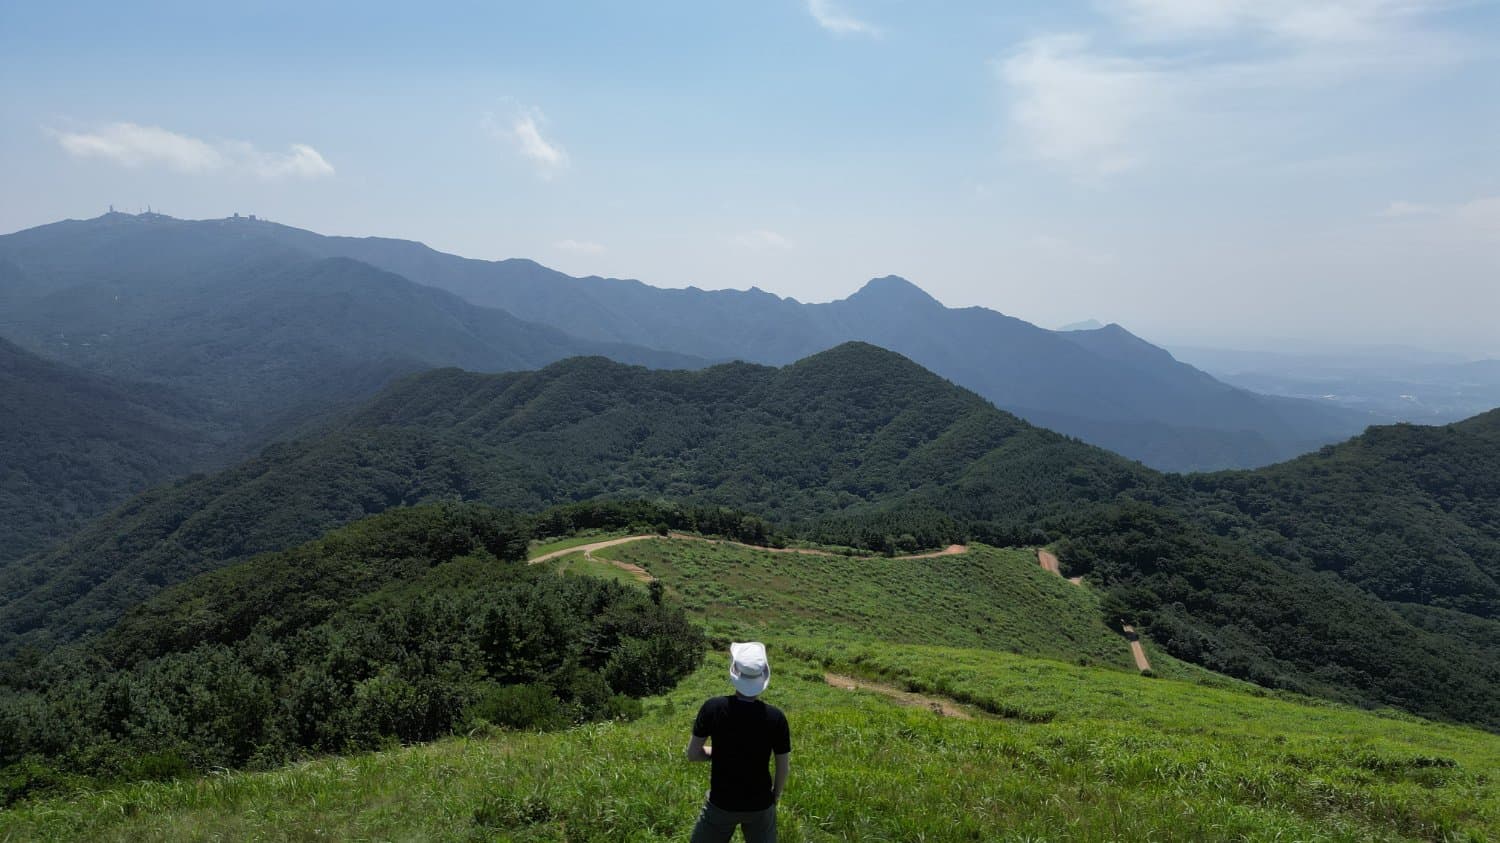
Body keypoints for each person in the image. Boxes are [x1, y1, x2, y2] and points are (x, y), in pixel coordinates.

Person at [685, 641, 791, 843]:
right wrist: (774, 797)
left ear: (734, 672)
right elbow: (783, 767)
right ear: (763, 676)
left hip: (721, 803)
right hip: (760, 805)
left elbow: (692, 754)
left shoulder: (712, 708)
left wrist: (721, 752)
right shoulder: (776, 717)